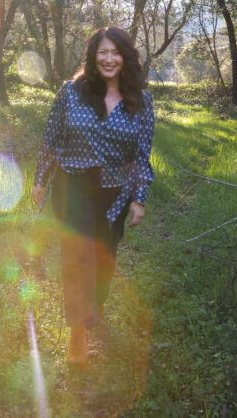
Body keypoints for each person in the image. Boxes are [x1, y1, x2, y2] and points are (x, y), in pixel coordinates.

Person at [32, 26, 155, 365]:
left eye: (116, 52)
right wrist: (40, 179)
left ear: (126, 57)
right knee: (76, 257)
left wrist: (138, 197)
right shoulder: (71, 92)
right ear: (93, 56)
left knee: (104, 259)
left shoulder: (141, 101)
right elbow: (51, 137)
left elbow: (141, 155)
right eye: (103, 52)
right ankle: (78, 335)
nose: (109, 58)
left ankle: (94, 309)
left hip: (115, 191)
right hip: (74, 184)